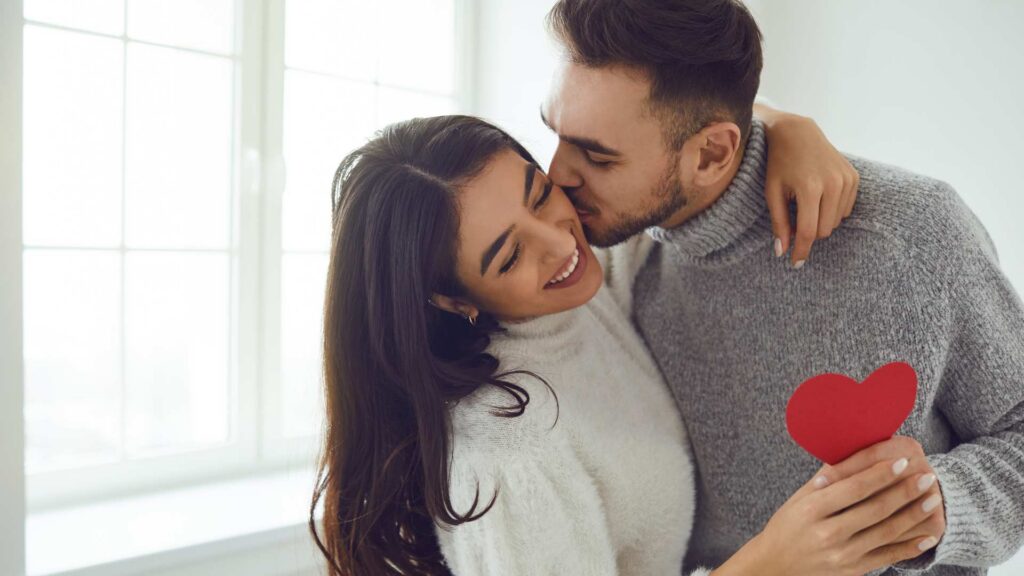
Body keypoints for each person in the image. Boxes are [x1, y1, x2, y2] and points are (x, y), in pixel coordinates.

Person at [309, 115, 943, 576]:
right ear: (451, 300)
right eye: (509, 255)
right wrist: (773, 562)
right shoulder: (504, 456)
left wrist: (789, 131)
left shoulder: (582, 293)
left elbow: (678, 127)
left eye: (538, 193)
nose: (561, 243)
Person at [541, 0, 1024, 574]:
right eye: (557, 134)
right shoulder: (612, 262)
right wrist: (783, 120)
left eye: (596, 156)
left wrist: (935, 506)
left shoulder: (915, 233)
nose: (555, 176)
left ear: (713, 153)